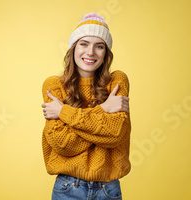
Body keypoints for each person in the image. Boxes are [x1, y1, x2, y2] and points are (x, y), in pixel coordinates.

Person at [41, 13, 131, 200]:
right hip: (67, 188)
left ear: (106, 53)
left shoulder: (117, 80)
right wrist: (104, 109)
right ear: (73, 48)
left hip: (108, 189)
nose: (90, 52)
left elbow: (115, 134)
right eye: (84, 44)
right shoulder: (54, 85)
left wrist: (63, 112)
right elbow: (62, 144)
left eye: (99, 46)